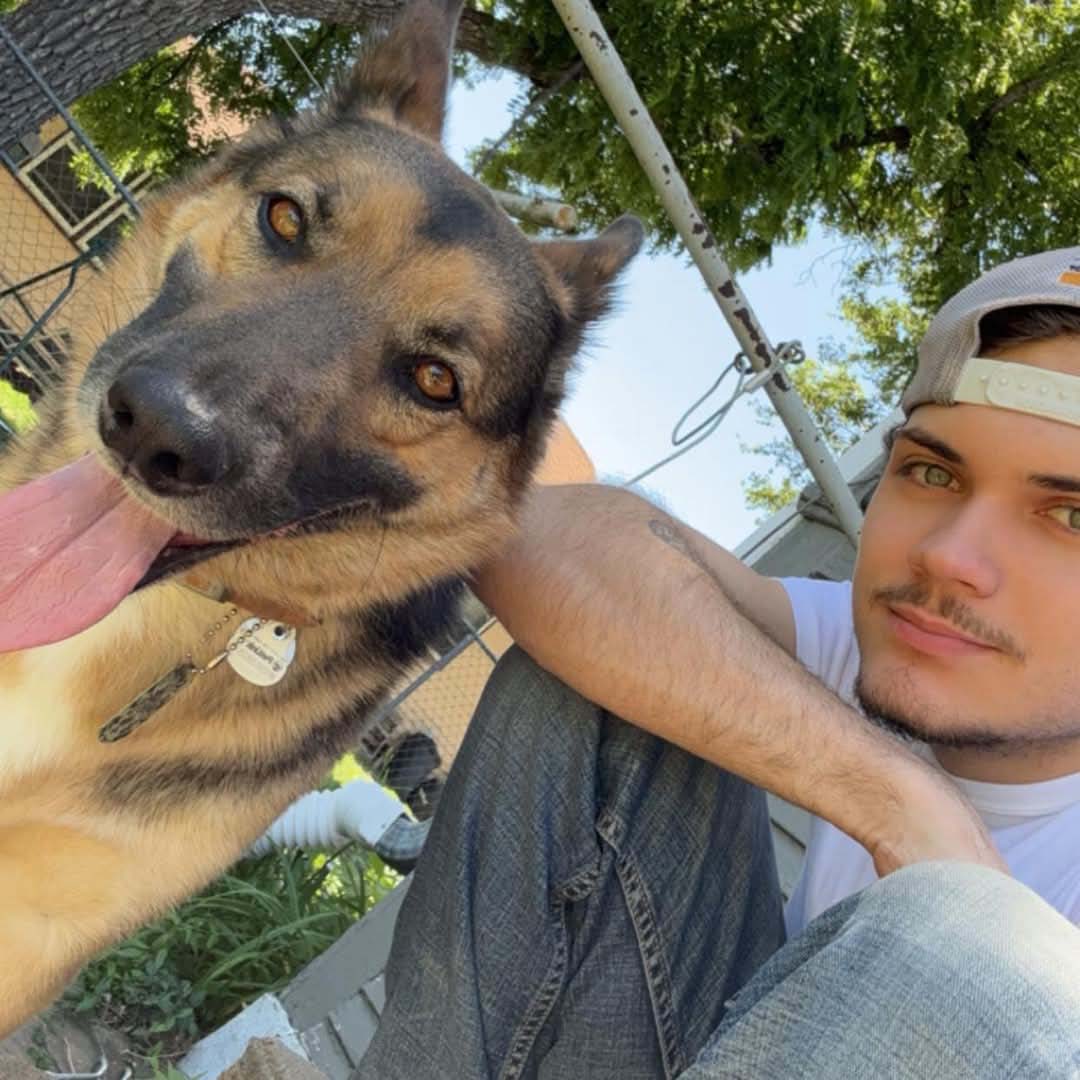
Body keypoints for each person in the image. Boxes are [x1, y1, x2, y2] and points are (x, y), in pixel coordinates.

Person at [356, 248, 1080, 1078]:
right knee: (619, 674)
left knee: (953, 949)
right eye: (930, 471)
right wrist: (900, 801)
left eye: (1069, 516)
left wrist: (961, 908)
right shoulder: (897, 637)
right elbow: (542, 537)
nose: (951, 556)